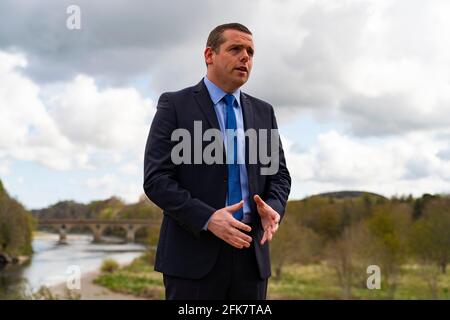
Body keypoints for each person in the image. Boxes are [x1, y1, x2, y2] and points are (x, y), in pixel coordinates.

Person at [143, 23, 291, 300]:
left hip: (251, 258)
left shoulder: (263, 112)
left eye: (250, 51)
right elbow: (156, 180)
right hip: (192, 259)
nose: (245, 57)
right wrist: (208, 218)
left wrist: (273, 207)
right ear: (209, 55)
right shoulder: (175, 105)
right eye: (236, 49)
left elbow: (279, 176)